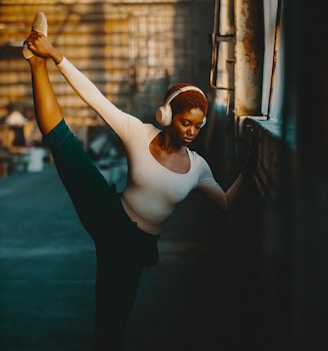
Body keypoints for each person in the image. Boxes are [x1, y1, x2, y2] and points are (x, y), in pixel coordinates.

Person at [23, 12, 252, 351]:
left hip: (131, 248)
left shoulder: (198, 169)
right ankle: (35, 61)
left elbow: (227, 205)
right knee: (63, 143)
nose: (192, 132)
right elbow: (94, 98)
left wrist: (249, 170)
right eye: (186, 122)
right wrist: (56, 55)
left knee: (112, 321)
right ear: (167, 116)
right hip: (108, 210)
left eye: (198, 126)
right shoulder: (139, 132)